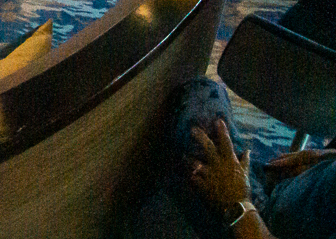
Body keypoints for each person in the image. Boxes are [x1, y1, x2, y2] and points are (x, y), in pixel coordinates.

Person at [127, 77, 335, 239]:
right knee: (203, 95)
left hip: (260, 226)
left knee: (156, 209)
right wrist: (327, 158)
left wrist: (237, 204)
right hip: (293, 196)